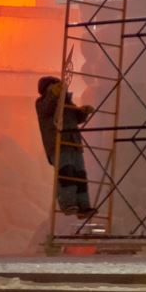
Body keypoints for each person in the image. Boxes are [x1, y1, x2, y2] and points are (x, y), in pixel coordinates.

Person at [35, 75, 96, 216]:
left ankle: (83, 207)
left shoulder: (67, 103)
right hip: (58, 145)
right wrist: (53, 94)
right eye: (54, 86)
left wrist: (83, 112)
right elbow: (47, 109)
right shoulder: (42, 102)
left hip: (73, 144)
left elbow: (77, 118)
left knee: (80, 176)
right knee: (66, 173)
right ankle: (68, 204)